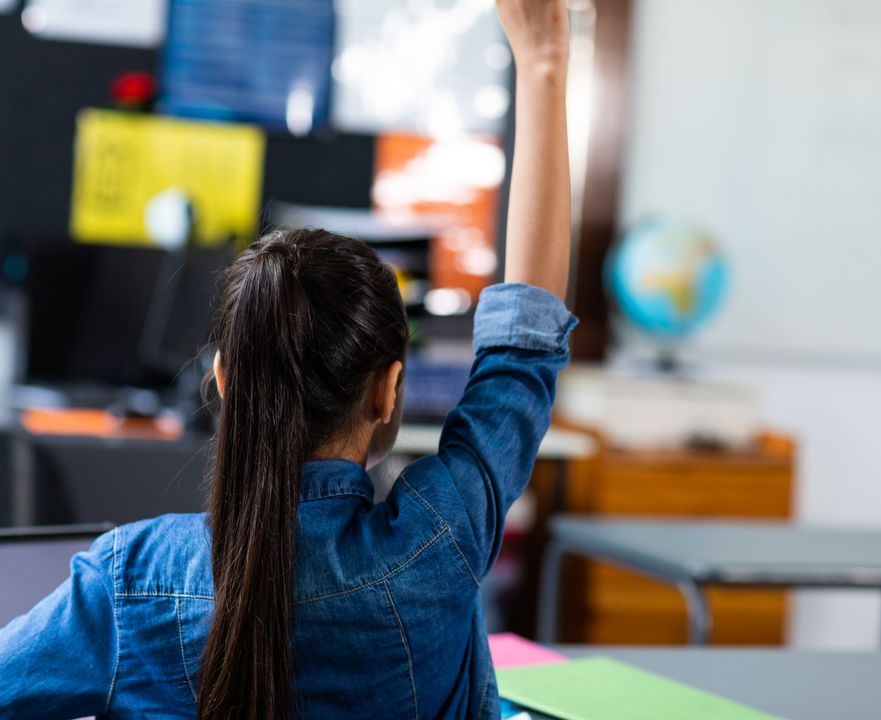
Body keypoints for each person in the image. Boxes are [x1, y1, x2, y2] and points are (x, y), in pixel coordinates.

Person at [0, 1, 574, 717]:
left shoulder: (128, 584)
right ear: (387, 391)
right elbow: (526, 339)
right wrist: (545, 67)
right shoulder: (441, 543)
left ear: (223, 381)